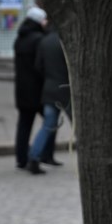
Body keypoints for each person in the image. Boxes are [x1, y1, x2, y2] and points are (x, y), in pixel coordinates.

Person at [27, 29, 72, 175]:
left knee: (48, 125)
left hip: (49, 88)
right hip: (66, 89)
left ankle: (34, 157)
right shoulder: (67, 39)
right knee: (79, 126)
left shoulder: (44, 41)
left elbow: (38, 66)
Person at [12, 6, 48, 170]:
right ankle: (42, 153)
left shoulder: (19, 38)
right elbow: (41, 66)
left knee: (24, 125)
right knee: (51, 121)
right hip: (37, 91)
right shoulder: (39, 39)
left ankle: (21, 158)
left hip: (22, 90)